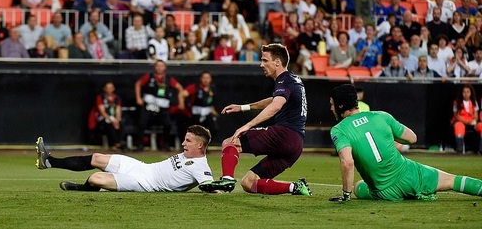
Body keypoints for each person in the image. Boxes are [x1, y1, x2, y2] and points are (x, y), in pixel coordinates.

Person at [328, 84, 482, 202]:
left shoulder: (339, 129)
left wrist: (346, 195)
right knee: (452, 181)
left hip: (385, 192)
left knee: (359, 187)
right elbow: (412, 138)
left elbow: (347, 162)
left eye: (332, 104)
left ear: (341, 105)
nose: (331, 108)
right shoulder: (381, 116)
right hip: (410, 174)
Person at [198, 44, 312, 196]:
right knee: (248, 183)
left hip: (284, 134)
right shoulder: (293, 79)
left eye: (265, 60)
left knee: (230, 142)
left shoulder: (284, 80)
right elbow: (274, 100)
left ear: (277, 62)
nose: (261, 64)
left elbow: (276, 106)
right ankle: (295, 187)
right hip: (296, 145)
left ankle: (227, 179)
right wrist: (243, 107)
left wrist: (248, 125)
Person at [35, 124, 214, 192]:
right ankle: (49, 161)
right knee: (97, 158)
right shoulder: (188, 153)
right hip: (143, 167)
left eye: (188, 141)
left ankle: (82, 189)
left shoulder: (201, 166)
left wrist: (221, 188)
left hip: (144, 183)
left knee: (96, 178)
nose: (183, 143)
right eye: (185, 138)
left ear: (200, 145)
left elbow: (210, 186)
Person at [134, 60, 185, 151]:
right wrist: (138, 98)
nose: (159, 68)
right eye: (157, 66)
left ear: (165, 67)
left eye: (161, 66)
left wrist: (181, 102)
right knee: (142, 122)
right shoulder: (149, 76)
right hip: (149, 105)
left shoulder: (169, 79)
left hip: (162, 106)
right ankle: (140, 145)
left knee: (167, 124)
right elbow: (138, 84)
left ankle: (166, 145)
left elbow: (180, 88)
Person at [90, 82, 123, 150]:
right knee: (109, 125)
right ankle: (115, 144)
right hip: (104, 118)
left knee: (121, 124)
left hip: (114, 118)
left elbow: (118, 111)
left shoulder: (117, 98)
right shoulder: (100, 97)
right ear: (104, 89)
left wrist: (117, 120)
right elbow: (102, 112)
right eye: (108, 88)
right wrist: (111, 120)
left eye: (111, 88)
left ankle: (120, 142)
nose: (109, 90)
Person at [452, 84, 482, 154]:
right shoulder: (457, 103)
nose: (466, 94)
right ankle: (460, 150)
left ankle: (481, 150)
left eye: (468, 92)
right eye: (464, 92)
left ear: (471, 93)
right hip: (461, 122)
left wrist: (473, 121)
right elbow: (457, 116)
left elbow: (476, 116)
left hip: (472, 123)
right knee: (459, 126)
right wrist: (466, 122)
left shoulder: (474, 103)